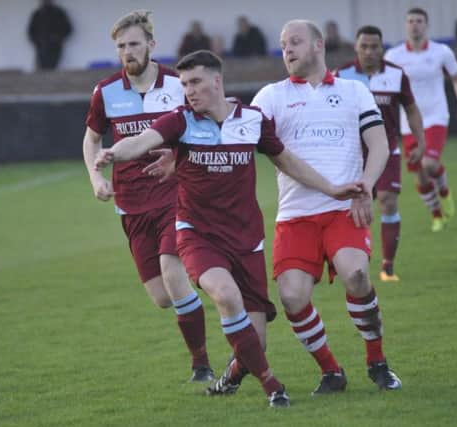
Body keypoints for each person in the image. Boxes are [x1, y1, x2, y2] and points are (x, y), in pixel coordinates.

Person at [95, 49, 366, 407]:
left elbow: (286, 160)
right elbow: (143, 140)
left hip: (246, 239)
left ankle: (230, 378)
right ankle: (274, 387)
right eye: (185, 83)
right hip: (197, 235)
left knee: (256, 341)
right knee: (225, 295)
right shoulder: (180, 121)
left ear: (217, 81)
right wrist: (115, 152)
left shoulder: (251, 120)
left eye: (196, 82)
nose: (188, 90)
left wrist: (332, 189)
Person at [207, 19, 399, 396]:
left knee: (356, 276)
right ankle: (331, 371)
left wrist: (366, 188)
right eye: (282, 44)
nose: (287, 49)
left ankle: (377, 360)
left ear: (318, 45)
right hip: (295, 214)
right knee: (293, 296)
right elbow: (231, 132)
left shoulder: (353, 91)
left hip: (344, 207)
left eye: (295, 41)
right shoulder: (271, 97)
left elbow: (378, 144)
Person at [82, 11, 214, 383]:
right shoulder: (105, 91)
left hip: (177, 194)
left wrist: (177, 157)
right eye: (121, 46)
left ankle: (201, 364)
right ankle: (212, 284)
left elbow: (206, 127)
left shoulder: (178, 84)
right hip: (131, 203)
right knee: (162, 296)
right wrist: (95, 177)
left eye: (134, 44)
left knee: (173, 274)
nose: (127, 51)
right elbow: (92, 138)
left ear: (152, 46)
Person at [335, 25, 426, 282]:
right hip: (352, 154)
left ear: (382, 47)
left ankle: (387, 266)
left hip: (387, 151)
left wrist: (419, 142)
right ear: (356, 47)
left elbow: (411, 109)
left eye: (374, 46)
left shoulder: (396, 75)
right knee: (350, 208)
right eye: (364, 46)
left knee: (387, 200)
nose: (369, 51)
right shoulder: (341, 75)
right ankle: (351, 261)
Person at [385, 8, 457, 232]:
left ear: (426, 25)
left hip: (435, 116)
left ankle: (445, 192)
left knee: (429, 164)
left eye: (419, 21)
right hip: (408, 122)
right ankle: (436, 216)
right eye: (411, 21)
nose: (415, 25)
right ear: (406, 25)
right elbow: (383, 83)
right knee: (421, 176)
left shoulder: (441, 51)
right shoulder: (393, 56)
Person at [27, 0, 72, 70]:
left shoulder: (59, 13)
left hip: (55, 46)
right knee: (42, 68)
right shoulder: (38, 14)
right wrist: (37, 41)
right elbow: (31, 32)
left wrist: (58, 38)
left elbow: (68, 29)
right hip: (42, 46)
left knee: (52, 68)